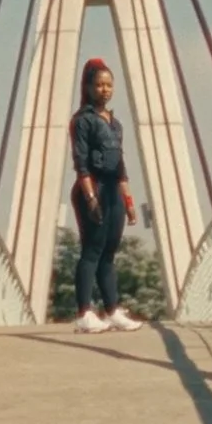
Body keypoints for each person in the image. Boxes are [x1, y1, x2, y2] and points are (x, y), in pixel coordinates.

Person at [70, 58, 142, 333]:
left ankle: (112, 311)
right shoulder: (82, 121)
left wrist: (129, 202)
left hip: (113, 190)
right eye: (99, 85)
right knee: (92, 251)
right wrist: (90, 198)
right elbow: (81, 163)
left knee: (109, 252)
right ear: (88, 87)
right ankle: (84, 312)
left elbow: (120, 166)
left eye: (109, 85)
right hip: (94, 187)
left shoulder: (116, 124)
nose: (104, 90)